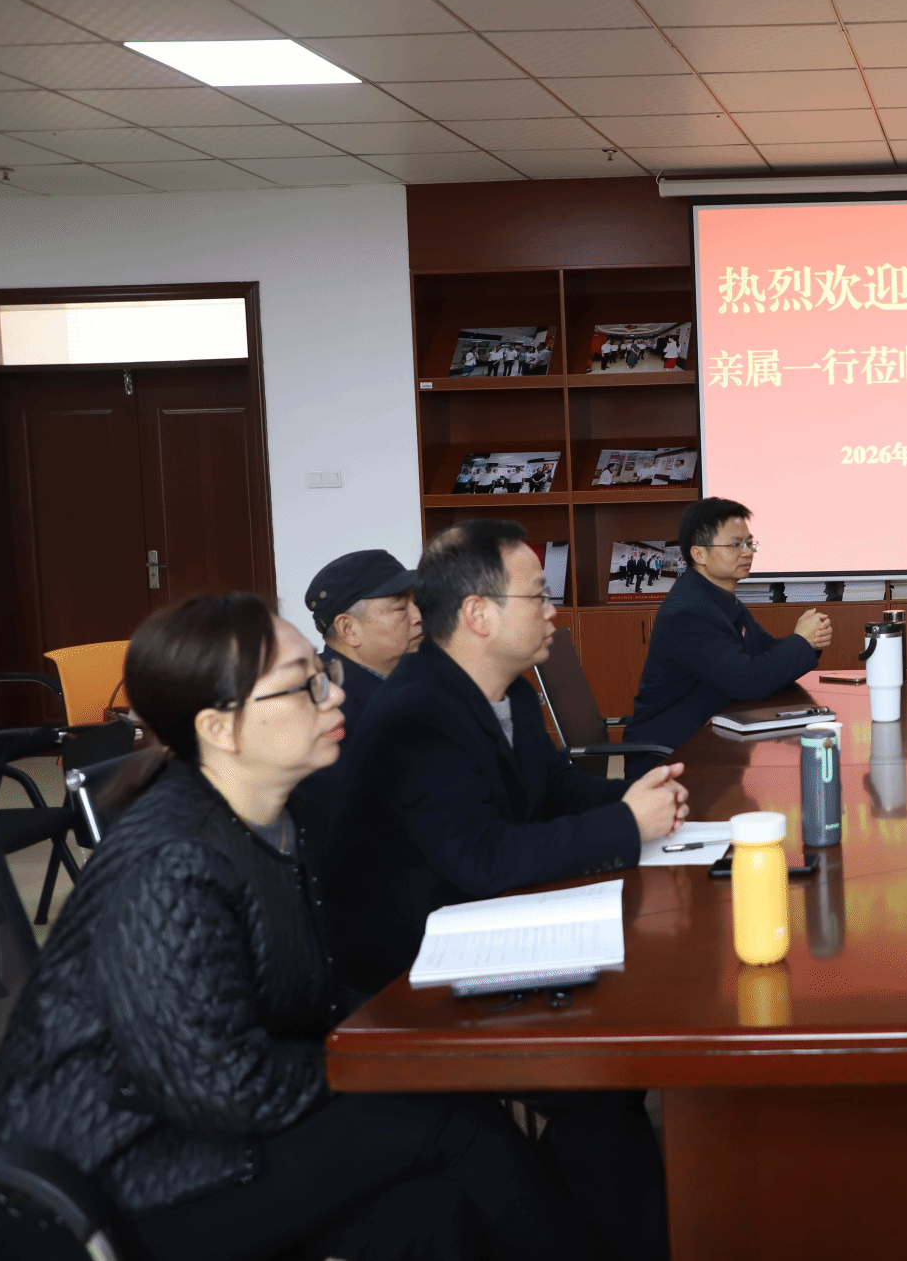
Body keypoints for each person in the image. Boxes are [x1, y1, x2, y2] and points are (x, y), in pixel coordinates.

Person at [0, 593, 607, 1261]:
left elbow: (303, 991)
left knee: (431, 1208)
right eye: (303, 685)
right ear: (220, 728)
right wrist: (387, 1061)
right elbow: (222, 1087)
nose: (335, 696)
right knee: (451, 1119)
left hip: (218, 1116)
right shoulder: (173, 862)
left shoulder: (284, 816)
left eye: (325, 673)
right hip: (127, 1167)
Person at [326, 519, 684, 1261]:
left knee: (618, 1054)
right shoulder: (417, 715)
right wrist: (626, 823)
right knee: (596, 1078)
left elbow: (554, 791)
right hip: (409, 976)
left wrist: (654, 802)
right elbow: (482, 858)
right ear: (479, 614)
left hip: (488, 933)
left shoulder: (507, 693)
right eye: (538, 595)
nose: (553, 610)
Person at [628, 497, 833, 777]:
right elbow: (748, 681)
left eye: (749, 543)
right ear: (699, 554)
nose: (747, 552)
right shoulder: (688, 612)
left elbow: (764, 650)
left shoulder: (719, 599)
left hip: (711, 741)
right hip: (673, 758)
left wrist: (810, 641)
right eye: (735, 545)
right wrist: (801, 642)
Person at [304, 548, 422, 725]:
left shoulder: (416, 678)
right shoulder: (330, 708)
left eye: (417, 603)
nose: (418, 617)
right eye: (400, 608)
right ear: (349, 629)